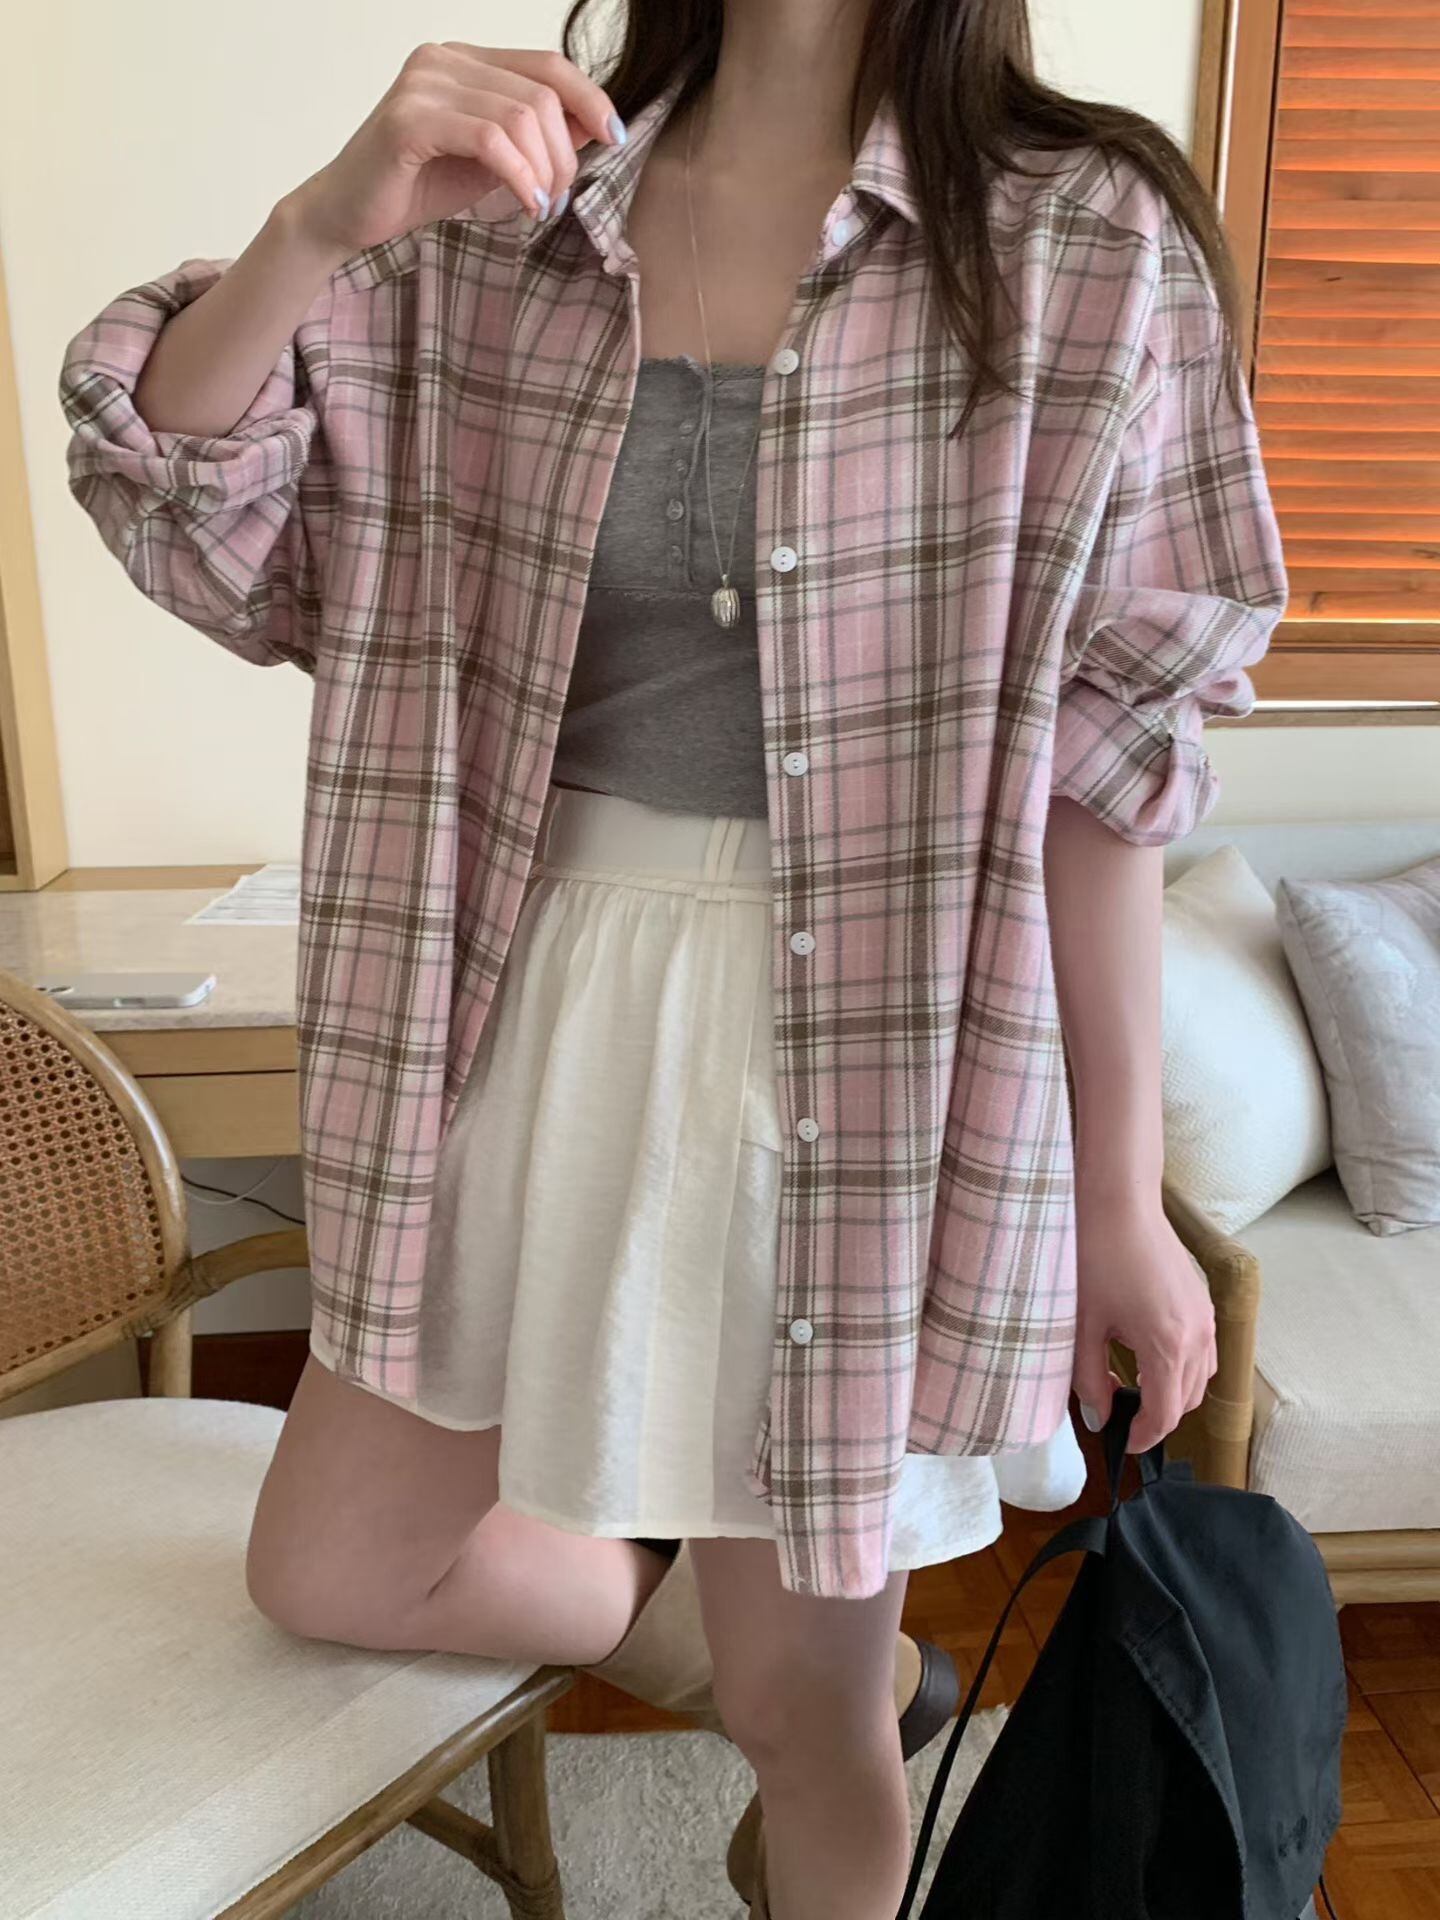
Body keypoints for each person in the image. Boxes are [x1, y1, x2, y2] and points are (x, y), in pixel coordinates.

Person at [58, 4, 1288, 1915]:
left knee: (811, 1723)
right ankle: (711, 1631)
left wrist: (1121, 1198)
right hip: (523, 1003)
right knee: (335, 1560)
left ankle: (817, 1703)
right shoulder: (502, 204)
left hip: (865, 1044)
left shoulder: (1084, 230)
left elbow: (1110, 763)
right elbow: (190, 513)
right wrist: (316, 223)